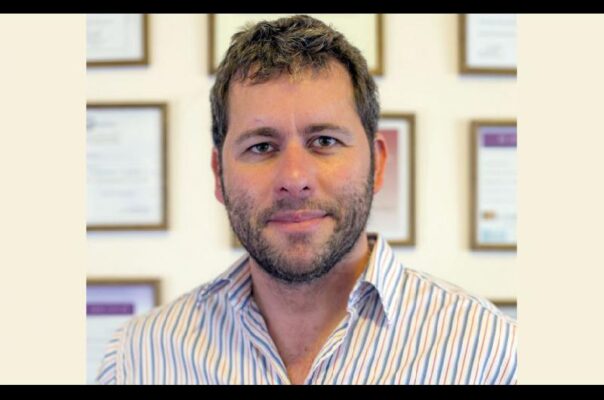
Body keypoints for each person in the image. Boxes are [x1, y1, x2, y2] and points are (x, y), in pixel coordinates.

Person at [96, 15, 517, 385]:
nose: (294, 179)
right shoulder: (138, 359)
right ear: (218, 175)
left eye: (325, 141)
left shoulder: (490, 355)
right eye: (261, 147)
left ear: (378, 164)